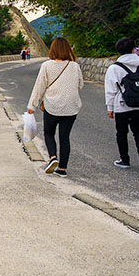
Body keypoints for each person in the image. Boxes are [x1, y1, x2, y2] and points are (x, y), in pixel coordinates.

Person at [27, 37, 83, 177]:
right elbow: (80, 85)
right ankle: (62, 169)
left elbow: (39, 87)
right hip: (71, 108)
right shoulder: (74, 66)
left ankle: (53, 158)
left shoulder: (47, 65)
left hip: (52, 106)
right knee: (65, 137)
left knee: (49, 133)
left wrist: (32, 105)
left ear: (52, 49)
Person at [105, 37, 139, 171]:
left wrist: (110, 107)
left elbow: (111, 90)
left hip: (122, 105)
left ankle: (125, 160)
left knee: (122, 133)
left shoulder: (114, 68)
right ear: (134, 49)